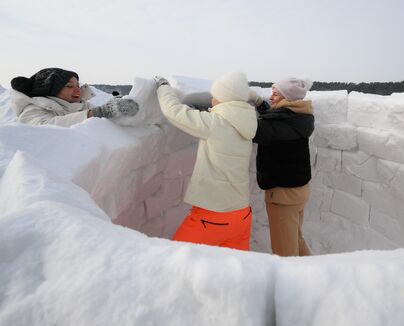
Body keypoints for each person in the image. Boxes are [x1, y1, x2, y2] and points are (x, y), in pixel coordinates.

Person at [154, 72, 258, 251]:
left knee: (175, 261)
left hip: (212, 218)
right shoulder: (246, 123)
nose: (212, 100)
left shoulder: (215, 124)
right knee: (231, 274)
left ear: (223, 99)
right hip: (241, 216)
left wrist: (163, 86)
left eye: (215, 96)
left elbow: (173, 111)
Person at [251, 77, 314, 256]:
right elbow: (275, 118)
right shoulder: (300, 116)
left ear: (287, 98)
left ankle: (294, 283)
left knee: (284, 253)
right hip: (298, 191)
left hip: (283, 195)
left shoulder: (282, 123)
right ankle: (313, 277)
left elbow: (252, 128)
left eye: (276, 94)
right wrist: (260, 105)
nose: (271, 98)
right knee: (295, 239)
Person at [10, 67, 139, 127]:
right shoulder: (32, 110)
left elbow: (100, 118)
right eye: (69, 86)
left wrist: (115, 108)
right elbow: (45, 127)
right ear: (52, 91)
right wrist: (96, 113)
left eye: (78, 84)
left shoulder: (82, 105)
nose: (78, 89)